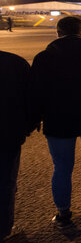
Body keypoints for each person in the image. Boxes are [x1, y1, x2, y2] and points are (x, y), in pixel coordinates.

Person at [30, 16, 81, 227]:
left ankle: (63, 212)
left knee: (62, 167)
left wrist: (35, 117)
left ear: (58, 32)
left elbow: (36, 93)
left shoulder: (44, 58)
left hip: (58, 120)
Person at [0, 51, 33, 239]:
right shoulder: (16, 63)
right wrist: (27, 126)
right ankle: (3, 229)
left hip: (10, 133)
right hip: (8, 134)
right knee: (5, 182)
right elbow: (31, 98)